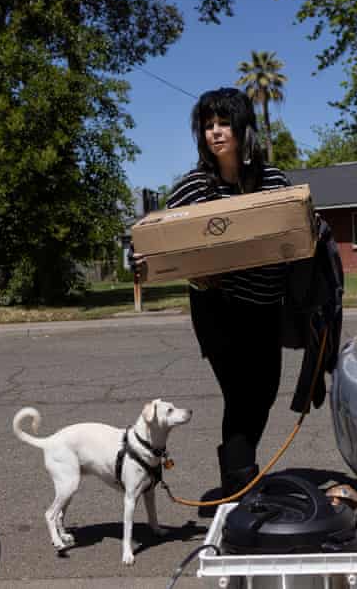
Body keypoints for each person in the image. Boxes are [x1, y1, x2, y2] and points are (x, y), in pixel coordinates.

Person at [132, 87, 291, 502]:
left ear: (242, 128)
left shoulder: (273, 181)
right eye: (207, 126)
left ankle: (237, 479)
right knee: (240, 397)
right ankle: (239, 489)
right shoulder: (193, 188)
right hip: (219, 310)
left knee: (265, 393)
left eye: (223, 123)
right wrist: (142, 258)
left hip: (266, 307)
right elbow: (156, 239)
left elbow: (297, 227)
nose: (215, 133)